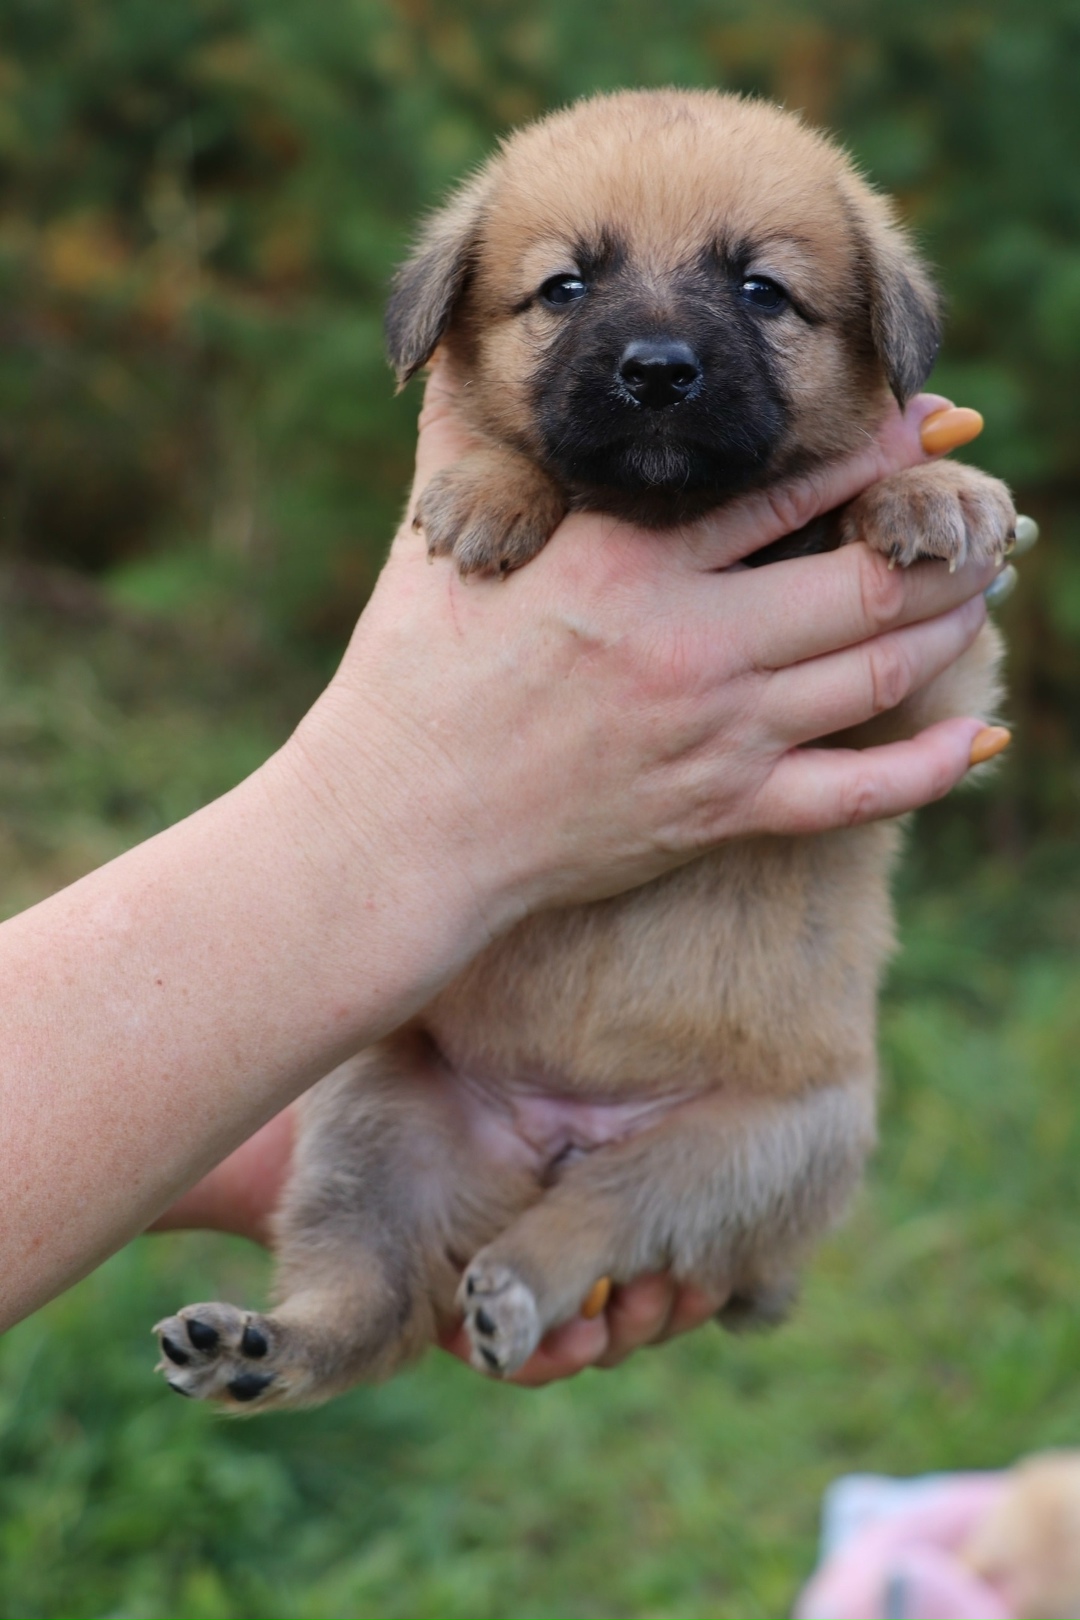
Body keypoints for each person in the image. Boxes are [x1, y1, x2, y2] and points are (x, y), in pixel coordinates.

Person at [0, 364, 1007, 1383]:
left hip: (728, 1099)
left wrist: (909, 521)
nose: (658, 346)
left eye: (764, 288)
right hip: (459, 1074)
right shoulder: (518, 496)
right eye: (567, 285)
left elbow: (932, 707)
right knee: (369, 1124)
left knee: (810, 1125)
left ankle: (553, 1262)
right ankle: (327, 1328)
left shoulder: (843, 508)